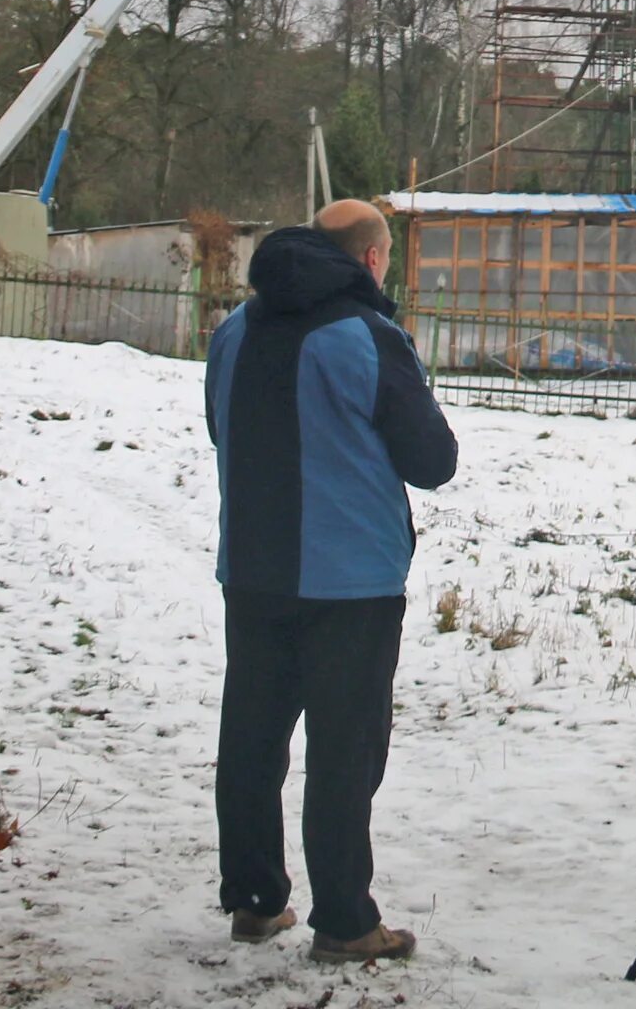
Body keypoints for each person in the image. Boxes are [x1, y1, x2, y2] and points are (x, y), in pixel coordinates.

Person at [205, 198, 458, 965]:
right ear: (373, 259)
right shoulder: (367, 337)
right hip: (351, 580)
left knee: (252, 737)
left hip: (252, 568)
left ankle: (254, 900)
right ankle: (345, 921)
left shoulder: (234, 332)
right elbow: (432, 461)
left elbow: (222, 427)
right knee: (345, 753)